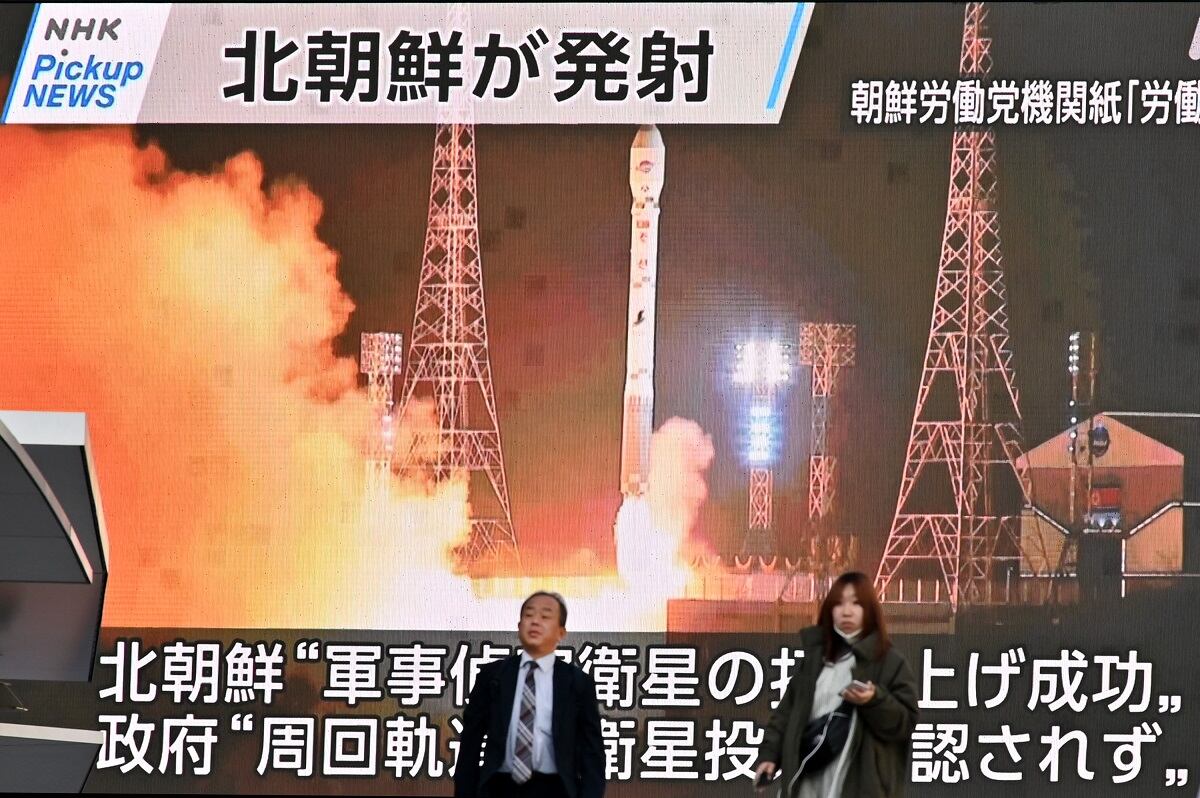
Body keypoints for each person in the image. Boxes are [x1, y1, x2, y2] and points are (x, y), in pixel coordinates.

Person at [754, 572, 919, 798]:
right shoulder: (814, 661)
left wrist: (874, 700)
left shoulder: (889, 662)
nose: (846, 611)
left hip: (858, 785)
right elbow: (786, 714)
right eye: (839, 604)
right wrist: (769, 756)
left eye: (856, 604)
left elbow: (905, 722)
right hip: (807, 783)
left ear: (870, 611)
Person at [455, 591, 605, 798]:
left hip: (555, 789)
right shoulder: (493, 676)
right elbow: (470, 744)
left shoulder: (577, 682)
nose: (535, 621)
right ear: (519, 627)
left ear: (561, 632)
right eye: (528, 615)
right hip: (500, 787)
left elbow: (592, 752)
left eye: (545, 617)